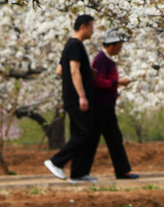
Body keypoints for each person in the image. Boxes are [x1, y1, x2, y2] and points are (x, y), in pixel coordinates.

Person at [44, 14, 101, 183]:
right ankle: (56, 161)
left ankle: (78, 173)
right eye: (91, 27)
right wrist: (82, 96)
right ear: (83, 27)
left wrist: (87, 72)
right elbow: (74, 70)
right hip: (77, 98)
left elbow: (60, 70)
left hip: (71, 97)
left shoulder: (70, 45)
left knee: (82, 133)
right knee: (85, 133)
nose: (93, 31)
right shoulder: (75, 45)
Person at [91, 29, 141, 180]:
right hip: (101, 106)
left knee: (114, 138)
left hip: (107, 105)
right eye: (120, 45)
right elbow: (97, 81)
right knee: (94, 139)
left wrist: (114, 89)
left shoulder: (108, 59)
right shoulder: (101, 59)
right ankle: (77, 169)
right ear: (113, 45)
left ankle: (123, 170)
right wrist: (118, 82)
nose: (121, 48)